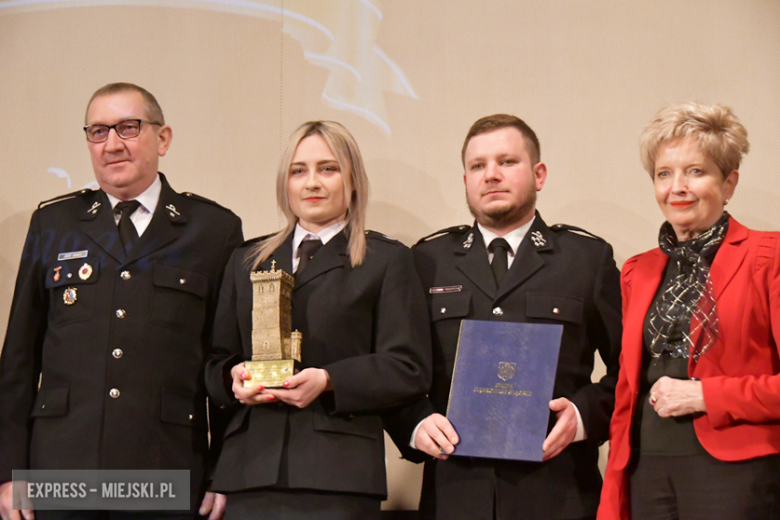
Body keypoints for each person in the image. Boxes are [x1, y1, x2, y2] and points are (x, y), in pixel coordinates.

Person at [0, 83, 243, 520]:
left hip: (164, 464)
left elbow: (223, 361)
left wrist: (222, 471)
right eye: (98, 132)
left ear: (162, 138)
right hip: (59, 467)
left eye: (128, 128)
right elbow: (19, 357)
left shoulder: (212, 230)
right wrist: (8, 471)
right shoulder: (53, 223)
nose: (112, 144)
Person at [384, 114, 622, 520]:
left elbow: (630, 369)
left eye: (507, 162)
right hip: (456, 491)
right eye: (478, 166)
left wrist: (583, 415)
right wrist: (415, 422)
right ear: (465, 181)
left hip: (558, 490)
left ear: (539, 173)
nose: (491, 175)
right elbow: (394, 366)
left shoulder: (586, 259)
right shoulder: (427, 261)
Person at [203, 120, 431, 520]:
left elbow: (407, 367)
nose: (312, 182)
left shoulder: (386, 260)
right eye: (298, 170)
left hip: (338, 473)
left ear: (353, 180)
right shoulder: (246, 261)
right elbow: (216, 360)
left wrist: (329, 380)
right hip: (249, 471)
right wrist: (232, 378)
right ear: (284, 184)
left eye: (328, 169)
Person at [597, 102, 780, 520]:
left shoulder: (769, 257)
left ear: (729, 183)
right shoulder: (637, 271)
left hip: (736, 472)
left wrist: (706, 395)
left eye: (696, 171)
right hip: (644, 468)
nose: (677, 186)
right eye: (664, 174)